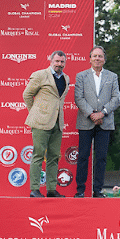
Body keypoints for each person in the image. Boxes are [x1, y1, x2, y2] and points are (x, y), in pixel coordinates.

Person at [73, 46, 120, 198]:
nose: (97, 59)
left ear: (104, 60)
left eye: (100, 56)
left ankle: (98, 190)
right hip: (86, 121)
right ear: (90, 59)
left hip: (105, 122)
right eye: (94, 56)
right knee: (83, 156)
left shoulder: (112, 76)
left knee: (101, 157)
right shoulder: (81, 76)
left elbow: (116, 99)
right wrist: (92, 114)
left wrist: (102, 113)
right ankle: (80, 190)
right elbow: (78, 98)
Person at [22, 51, 70, 197]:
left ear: (65, 63)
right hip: (40, 122)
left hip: (57, 123)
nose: (59, 64)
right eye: (57, 61)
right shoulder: (40, 75)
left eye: (62, 62)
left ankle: (51, 189)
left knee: (54, 156)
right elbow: (27, 95)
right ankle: (34, 189)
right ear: (50, 60)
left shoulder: (66, 78)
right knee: (38, 155)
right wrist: (35, 112)